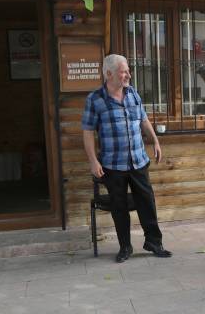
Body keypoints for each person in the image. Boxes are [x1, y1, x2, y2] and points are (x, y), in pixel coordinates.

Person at [82, 54, 172, 263]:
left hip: (138, 160)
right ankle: (125, 247)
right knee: (119, 206)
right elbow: (87, 132)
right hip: (113, 164)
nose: (128, 75)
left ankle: (153, 242)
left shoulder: (132, 94)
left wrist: (155, 141)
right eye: (123, 71)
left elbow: (143, 119)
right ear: (109, 73)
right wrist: (93, 161)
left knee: (147, 201)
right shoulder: (95, 99)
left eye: (127, 70)